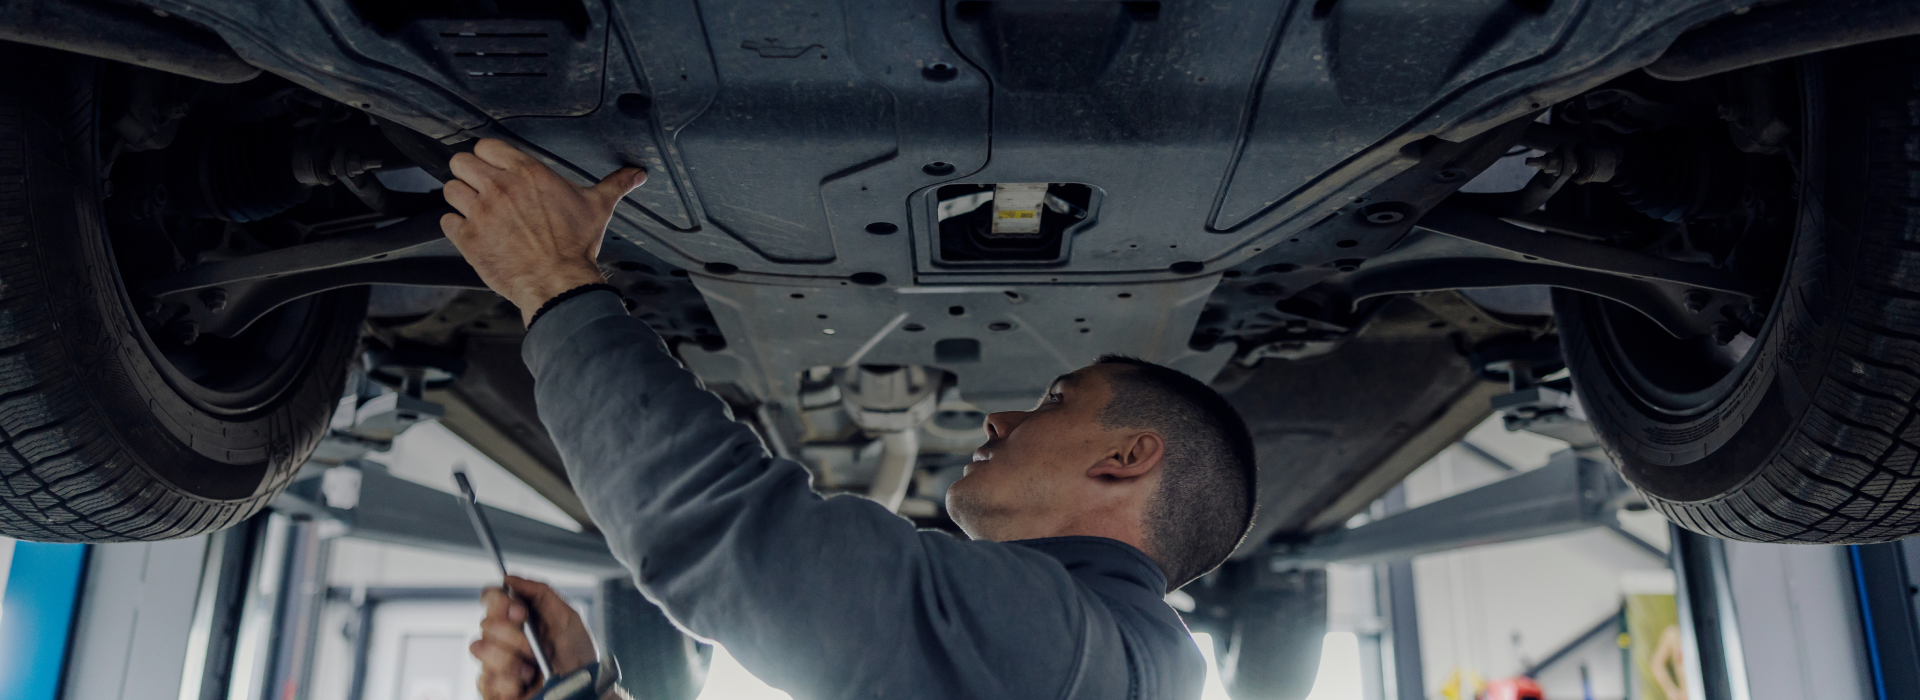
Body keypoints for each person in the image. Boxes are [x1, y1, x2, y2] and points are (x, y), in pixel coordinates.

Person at [444, 139, 1259, 700]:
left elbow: (743, 543)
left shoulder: (1081, 651)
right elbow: (744, 549)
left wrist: (553, 281)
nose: (1000, 418)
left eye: (1054, 401)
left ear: (1128, 456)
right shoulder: (1114, 662)